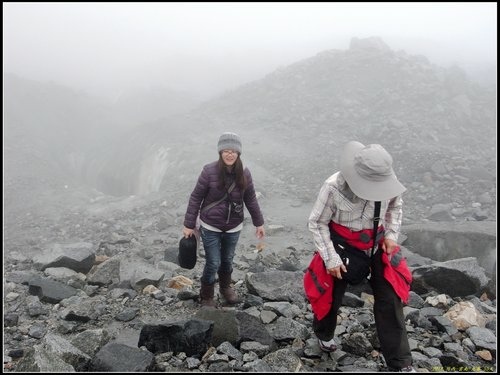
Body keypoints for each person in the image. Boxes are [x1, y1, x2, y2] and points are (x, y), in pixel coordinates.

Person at [308, 141, 415, 372]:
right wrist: (331, 258)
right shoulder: (333, 186)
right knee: (330, 294)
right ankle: (324, 334)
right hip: (342, 246)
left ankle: (401, 363)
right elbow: (317, 222)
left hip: (377, 244)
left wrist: (392, 235)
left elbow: (395, 207)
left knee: (390, 298)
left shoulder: (387, 179)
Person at [183, 132, 265, 307]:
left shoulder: (244, 173)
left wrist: (259, 223)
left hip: (233, 227)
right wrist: (189, 225)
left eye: (233, 151)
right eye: (226, 150)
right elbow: (196, 197)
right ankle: (206, 295)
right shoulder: (209, 171)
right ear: (220, 152)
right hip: (210, 225)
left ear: (238, 153)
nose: (230, 154)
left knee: (227, 260)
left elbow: (250, 198)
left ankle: (225, 288)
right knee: (213, 262)